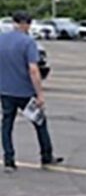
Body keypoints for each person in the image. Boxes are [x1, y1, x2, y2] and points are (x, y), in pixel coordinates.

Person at [0, 11, 62, 172]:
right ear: (26, 24)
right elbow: (33, 69)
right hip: (25, 92)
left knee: (7, 124)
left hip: (5, 90)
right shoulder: (28, 42)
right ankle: (46, 156)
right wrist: (40, 93)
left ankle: (9, 159)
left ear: (13, 23)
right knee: (39, 122)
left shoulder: (1, 39)